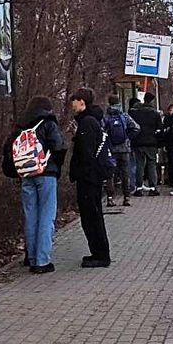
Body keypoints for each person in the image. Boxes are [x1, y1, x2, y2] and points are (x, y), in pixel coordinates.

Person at [3, 96, 67, 273]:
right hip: (46, 175)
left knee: (30, 215)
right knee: (47, 216)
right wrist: (54, 166)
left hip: (26, 175)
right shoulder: (48, 123)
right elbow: (59, 146)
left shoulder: (20, 126)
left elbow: (7, 150)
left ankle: (30, 257)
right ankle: (42, 261)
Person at [70, 87, 111, 268]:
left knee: (91, 217)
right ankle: (98, 253)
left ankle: (100, 255)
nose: (72, 104)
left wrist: (82, 173)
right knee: (93, 216)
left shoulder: (87, 122)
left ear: (82, 102)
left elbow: (87, 153)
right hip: (93, 177)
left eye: (74, 100)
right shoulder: (93, 121)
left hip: (88, 179)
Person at [104, 94, 140, 207]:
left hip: (111, 149)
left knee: (110, 174)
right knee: (125, 173)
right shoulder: (124, 115)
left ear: (109, 103)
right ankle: (126, 197)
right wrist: (127, 137)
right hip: (125, 149)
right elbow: (136, 127)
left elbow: (102, 131)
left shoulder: (106, 117)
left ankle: (110, 198)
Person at [128, 92, 162, 197]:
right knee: (151, 165)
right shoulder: (155, 114)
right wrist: (159, 143)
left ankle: (139, 188)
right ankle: (153, 188)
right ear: (152, 101)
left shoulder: (135, 113)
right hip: (151, 143)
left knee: (139, 165)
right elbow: (159, 129)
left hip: (138, 143)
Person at [127, 97, 141, 192]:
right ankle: (135, 184)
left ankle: (131, 186)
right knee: (134, 164)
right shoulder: (128, 116)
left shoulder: (128, 114)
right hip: (133, 143)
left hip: (119, 145)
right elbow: (137, 128)